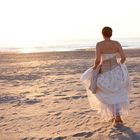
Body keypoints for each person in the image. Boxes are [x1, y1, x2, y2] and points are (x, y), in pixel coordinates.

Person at [81, 26, 131, 127]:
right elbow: (123, 58)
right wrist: (119, 65)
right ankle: (117, 116)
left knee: (106, 93)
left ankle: (114, 116)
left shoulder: (99, 44)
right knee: (117, 93)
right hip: (116, 71)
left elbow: (98, 60)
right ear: (111, 34)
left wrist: (95, 68)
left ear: (102, 34)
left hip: (105, 71)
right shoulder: (116, 43)